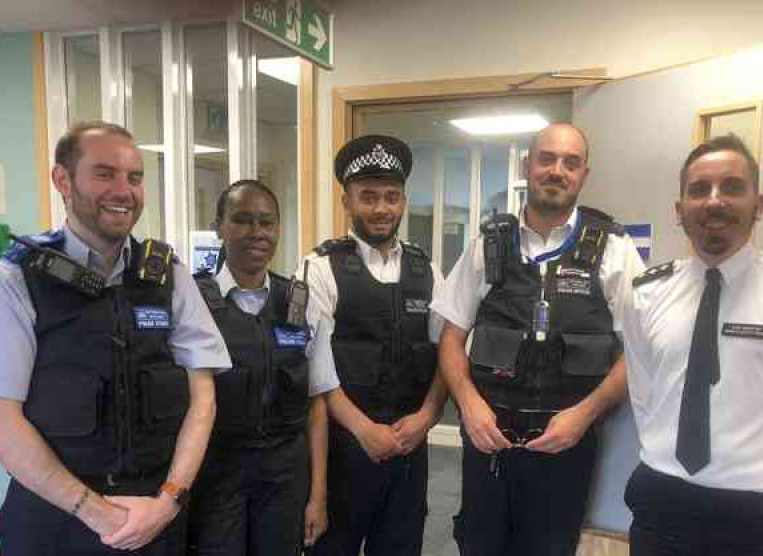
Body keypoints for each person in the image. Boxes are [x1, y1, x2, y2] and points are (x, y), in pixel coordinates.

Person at [0, 121, 230, 556]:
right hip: (56, 522)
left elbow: (203, 399)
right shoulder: (17, 278)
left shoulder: (168, 274)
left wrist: (168, 500)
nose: (124, 190)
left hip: (157, 519)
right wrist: (97, 513)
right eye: (105, 173)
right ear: (62, 180)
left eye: (135, 177)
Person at [622, 134, 763, 556]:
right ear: (680, 211)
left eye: (732, 187)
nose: (714, 201)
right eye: (699, 190)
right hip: (663, 507)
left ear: (759, 204)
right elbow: (645, 395)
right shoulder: (647, 293)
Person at [434, 122, 645, 556]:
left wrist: (583, 415)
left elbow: (637, 354)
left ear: (584, 175)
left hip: (566, 445)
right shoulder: (487, 245)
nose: (557, 170)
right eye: (547, 159)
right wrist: (469, 406)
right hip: (490, 440)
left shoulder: (615, 250)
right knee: (479, 544)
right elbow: (452, 337)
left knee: (549, 548)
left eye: (571, 162)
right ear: (528, 167)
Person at [303, 135, 448, 556]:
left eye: (391, 196)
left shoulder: (427, 270)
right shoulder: (320, 267)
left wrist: (427, 416)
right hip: (343, 447)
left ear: (403, 201)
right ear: (346, 201)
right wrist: (364, 429)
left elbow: (447, 354)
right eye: (368, 197)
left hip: (409, 443)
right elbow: (317, 368)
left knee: (401, 547)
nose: (381, 208)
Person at [186, 179, 338, 556]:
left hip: (284, 472)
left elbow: (317, 401)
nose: (257, 233)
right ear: (219, 227)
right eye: (242, 220)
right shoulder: (191, 302)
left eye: (267, 223)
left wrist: (317, 495)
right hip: (216, 471)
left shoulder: (301, 303)